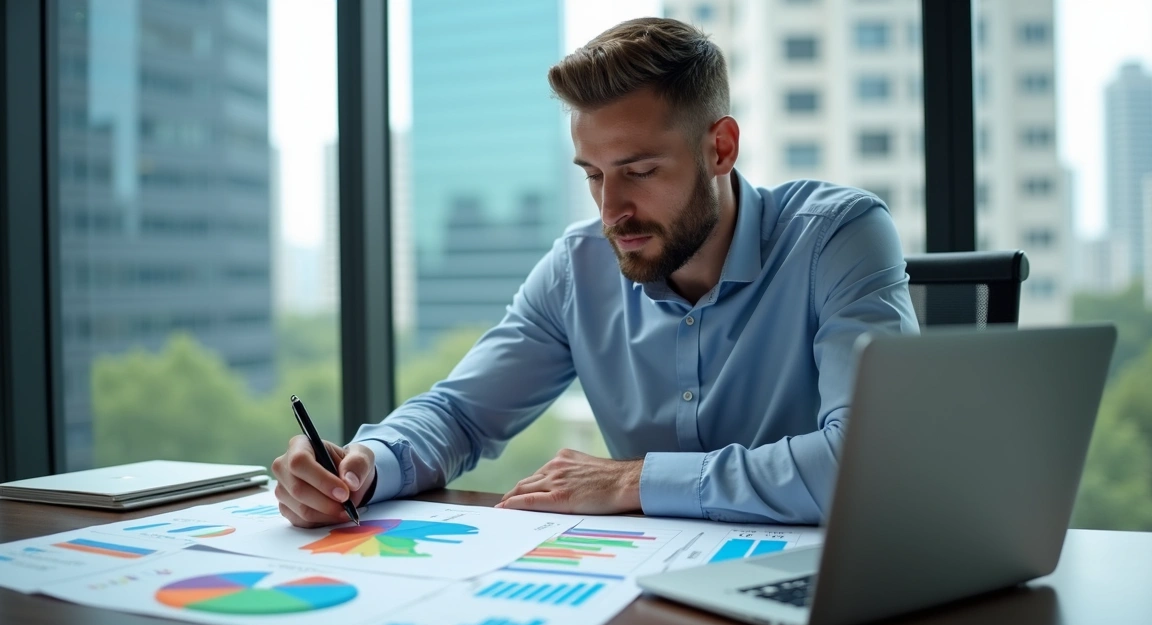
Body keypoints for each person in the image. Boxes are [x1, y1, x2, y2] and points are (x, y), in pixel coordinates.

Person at [272, 17, 919, 527]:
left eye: (639, 172)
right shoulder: (576, 268)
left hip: (821, 584)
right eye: (592, 175)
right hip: (652, 586)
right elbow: (461, 414)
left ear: (720, 147)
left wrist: (633, 480)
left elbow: (871, 462)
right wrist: (365, 464)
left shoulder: (838, 235)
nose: (611, 211)